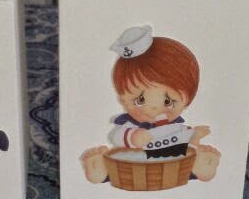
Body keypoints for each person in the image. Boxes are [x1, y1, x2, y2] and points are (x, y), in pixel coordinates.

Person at [81, 26, 220, 185]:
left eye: (168, 102)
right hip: (136, 166)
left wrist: (194, 135)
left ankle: (202, 167)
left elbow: (182, 134)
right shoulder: (131, 125)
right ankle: (99, 170)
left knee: (185, 163)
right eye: (140, 100)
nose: (154, 109)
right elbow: (117, 136)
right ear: (123, 100)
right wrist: (133, 137)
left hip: (171, 167)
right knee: (119, 168)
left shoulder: (174, 126)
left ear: (187, 100)